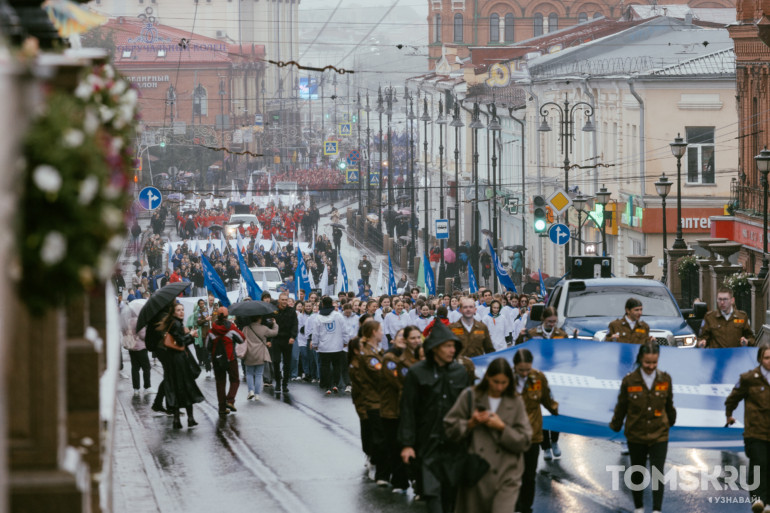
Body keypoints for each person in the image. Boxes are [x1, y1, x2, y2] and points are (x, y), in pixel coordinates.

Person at [399, 322, 471, 513]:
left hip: (454, 444)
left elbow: (467, 409)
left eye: (454, 346)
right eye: (447, 346)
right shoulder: (417, 373)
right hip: (427, 443)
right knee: (432, 495)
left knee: (451, 496)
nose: (452, 350)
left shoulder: (460, 372)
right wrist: (407, 444)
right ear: (435, 347)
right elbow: (408, 409)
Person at [444, 357, 532, 513]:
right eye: (495, 382)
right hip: (475, 473)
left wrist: (502, 428)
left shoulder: (516, 402)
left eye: (503, 383)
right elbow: (449, 428)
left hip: (507, 474)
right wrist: (470, 423)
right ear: (487, 378)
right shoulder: (470, 396)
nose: (499, 387)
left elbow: (525, 440)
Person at [610, 342, 676, 513]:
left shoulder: (665, 379)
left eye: (654, 363)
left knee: (657, 473)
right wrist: (616, 425)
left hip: (659, 434)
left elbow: (669, 405)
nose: (651, 367)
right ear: (640, 359)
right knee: (637, 472)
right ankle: (638, 507)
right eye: (647, 363)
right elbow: (621, 406)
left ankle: (656, 509)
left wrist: (671, 421)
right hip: (636, 434)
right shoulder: (629, 380)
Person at [725, 343, 770, 513]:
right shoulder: (748, 378)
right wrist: (729, 414)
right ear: (760, 359)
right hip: (755, 431)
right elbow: (733, 398)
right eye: (766, 358)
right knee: (759, 462)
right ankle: (757, 499)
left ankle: (768, 502)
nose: (769, 361)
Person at [513, 349, 559, 513]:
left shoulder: (538, 378)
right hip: (511, 437)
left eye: (527, 369)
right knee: (512, 476)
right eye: (521, 370)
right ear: (515, 366)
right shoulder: (505, 380)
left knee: (529, 476)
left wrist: (564, 412)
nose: (525, 373)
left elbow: (547, 400)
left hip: (532, 436)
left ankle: (526, 508)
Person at [349, 320, 388, 485]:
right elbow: (380, 375)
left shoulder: (376, 351)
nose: (382, 333)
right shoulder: (367, 355)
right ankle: (375, 463)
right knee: (376, 435)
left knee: (380, 434)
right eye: (380, 330)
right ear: (373, 332)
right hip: (372, 400)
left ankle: (380, 464)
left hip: (380, 399)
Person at [379, 327, 418, 492]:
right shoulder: (390, 358)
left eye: (405, 336)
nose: (403, 338)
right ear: (394, 339)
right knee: (395, 446)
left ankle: (414, 478)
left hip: (412, 408)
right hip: (393, 408)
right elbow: (398, 382)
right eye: (400, 336)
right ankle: (399, 480)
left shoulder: (418, 357)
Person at [156, 303, 205, 428]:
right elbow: (181, 342)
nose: (182, 312)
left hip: (172, 359)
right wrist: (191, 335)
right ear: (173, 312)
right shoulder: (176, 324)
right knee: (186, 387)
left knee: (176, 388)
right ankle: (190, 418)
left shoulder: (172, 323)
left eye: (182, 310)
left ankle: (177, 420)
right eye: (178, 310)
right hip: (179, 360)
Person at [206, 307, 246, 417]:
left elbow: (207, 346)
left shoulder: (212, 329)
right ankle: (230, 400)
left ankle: (222, 408)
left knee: (220, 383)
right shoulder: (231, 328)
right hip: (230, 358)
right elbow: (242, 339)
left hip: (216, 360)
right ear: (227, 316)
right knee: (235, 380)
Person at [311, 296, 349, 394]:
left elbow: (315, 333)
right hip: (337, 346)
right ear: (332, 304)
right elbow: (344, 330)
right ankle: (335, 384)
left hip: (324, 347)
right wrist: (345, 341)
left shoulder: (318, 317)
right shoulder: (338, 315)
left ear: (322, 304)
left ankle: (327, 386)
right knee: (337, 366)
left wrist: (315, 344)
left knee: (325, 367)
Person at [242, 316, 277, 401]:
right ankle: (257, 394)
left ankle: (250, 391)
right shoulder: (264, 328)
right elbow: (274, 333)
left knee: (249, 373)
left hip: (249, 354)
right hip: (260, 354)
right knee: (259, 374)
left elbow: (241, 338)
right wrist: (275, 324)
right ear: (259, 319)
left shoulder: (246, 328)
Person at [271, 292, 299, 394]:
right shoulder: (274, 311)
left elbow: (295, 325)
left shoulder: (292, 311)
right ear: (279, 300)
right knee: (276, 361)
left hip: (287, 340)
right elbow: (269, 325)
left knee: (287, 363)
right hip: (276, 339)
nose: (284, 302)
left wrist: (293, 336)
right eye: (282, 300)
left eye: (285, 300)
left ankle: (285, 384)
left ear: (288, 301)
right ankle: (278, 383)